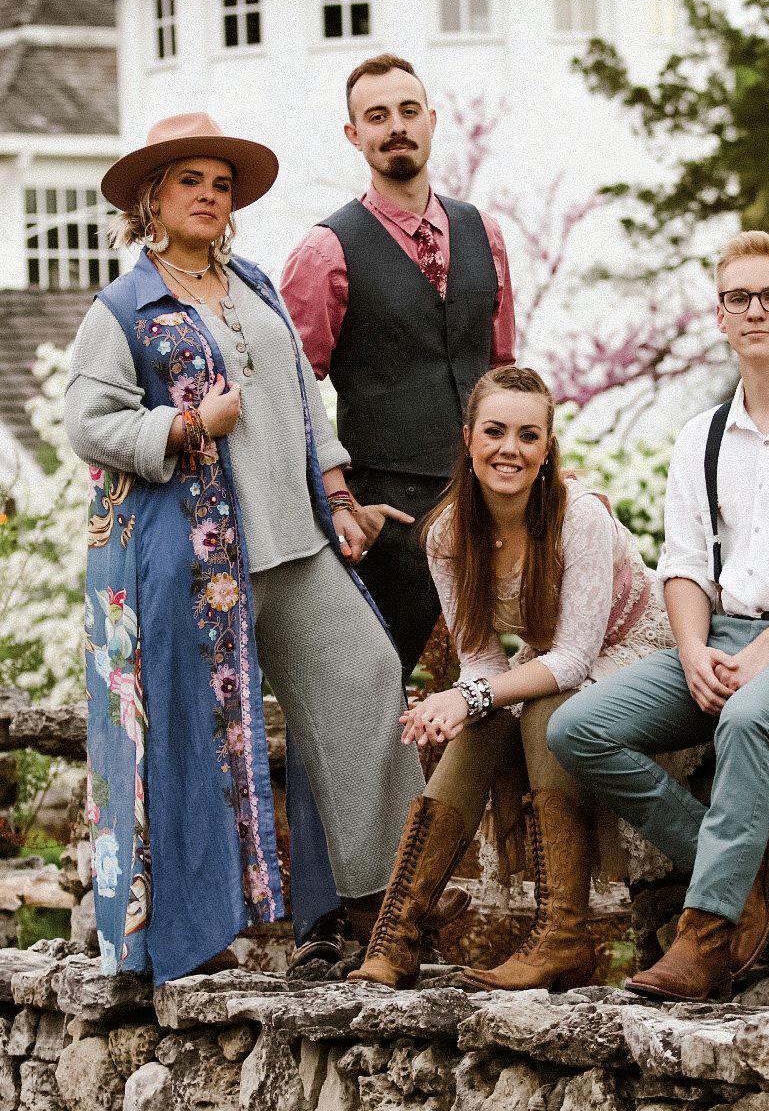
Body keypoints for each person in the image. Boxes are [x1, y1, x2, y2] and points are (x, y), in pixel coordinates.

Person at [64, 113, 426, 985]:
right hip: (193, 564)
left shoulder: (256, 284)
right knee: (191, 740)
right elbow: (88, 422)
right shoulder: (124, 309)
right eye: (190, 181)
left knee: (367, 676)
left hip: (297, 543)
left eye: (221, 185)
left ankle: (385, 909)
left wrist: (338, 495)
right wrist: (187, 425)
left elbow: (303, 398)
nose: (209, 196)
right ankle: (194, 936)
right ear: (151, 200)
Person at [548, 230, 769, 1002]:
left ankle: (705, 936)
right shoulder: (700, 436)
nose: (755, 310)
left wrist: (768, 650)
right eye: (738, 297)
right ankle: (735, 878)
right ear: (719, 315)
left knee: (746, 718)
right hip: (720, 640)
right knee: (578, 728)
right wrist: (690, 651)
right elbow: (684, 566)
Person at [280, 53, 515, 958]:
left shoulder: (483, 233)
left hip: (485, 510)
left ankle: (465, 910)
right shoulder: (327, 250)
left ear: (431, 119)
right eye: (376, 116)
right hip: (387, 521)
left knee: (512, 691)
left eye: (408, 109)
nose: (395, 127)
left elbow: (504, 375)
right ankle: (326, 920)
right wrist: (337, 496)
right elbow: (291, 395)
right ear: (354, 136)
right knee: (351, 704)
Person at [347, 365, 675, 991]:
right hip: (555, 659)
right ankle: (398, 934)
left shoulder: (578, 518)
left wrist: (467, 695)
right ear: (468, 438)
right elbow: (482, 660)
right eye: (495, 432)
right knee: (482, 723)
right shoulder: (447, 535)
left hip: (637, 647)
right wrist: (466, 703)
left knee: (547, 712)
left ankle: (562, 936)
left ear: (548, 448)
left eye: (529, 436)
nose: (510, 449)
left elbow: (574, 659)